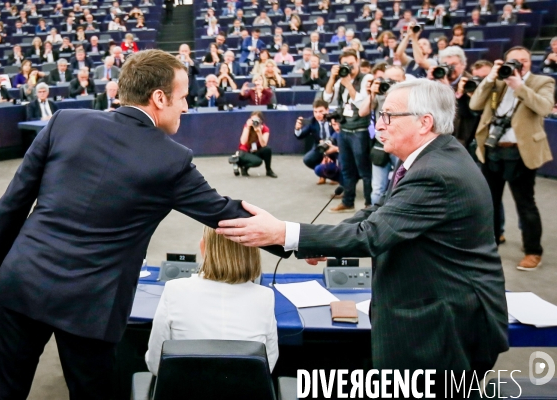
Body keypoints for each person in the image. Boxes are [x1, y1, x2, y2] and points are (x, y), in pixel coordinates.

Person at [0, 49, 288, 399]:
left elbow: (14, 201)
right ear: (159, 98)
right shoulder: (173, 160)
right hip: (91, 305)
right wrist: (295, 241)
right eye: (183, 98)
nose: (185, 107)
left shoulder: (65, 121)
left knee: (4, 389)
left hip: (24, 280)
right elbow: (227, 215)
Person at [216, 80, 510, 394]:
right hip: (434, 309)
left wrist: (283, 233)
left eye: (389, 117)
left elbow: (372, 234)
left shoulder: (435, 171)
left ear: (425, 122)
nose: (379, 126)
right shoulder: (431, 158)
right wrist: (319, 243)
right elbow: (378, 211)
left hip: (443, 325)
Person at [145, 226, 278, 374]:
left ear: (203, 247)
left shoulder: (174, 290)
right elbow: (268, 365)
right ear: (253, 251)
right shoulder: (265, 296)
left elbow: (156, 364)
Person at [470, 46, 555, 271]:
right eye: (514, 60)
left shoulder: (542, 81)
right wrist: (490, 77)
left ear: (530, 62)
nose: (519, 64)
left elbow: (544, 107)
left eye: (524, 60)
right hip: (492, 150)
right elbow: (474, 104)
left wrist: (519, 86)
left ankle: (533, 251)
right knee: (489, 202)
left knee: (525, 204)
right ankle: (491, 242)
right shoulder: (497, 80)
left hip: (522, 152)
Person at [323, 50, 372, 212]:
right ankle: (348, 202)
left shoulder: (367, 79)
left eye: (352, 63)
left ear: (358, 61)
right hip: (344, 131)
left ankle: (368, 205)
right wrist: (332, 77)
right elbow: (327, 98)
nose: (349, 67)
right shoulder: (341, 80)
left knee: (364, 170)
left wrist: (348, 84)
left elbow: (362, 103)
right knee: (347, 168)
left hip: (360, 130)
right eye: (346, 64)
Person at [357, 65, 406, 205]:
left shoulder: (410, 97)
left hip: (401, 145)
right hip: (381, 144)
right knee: (377, 189)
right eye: (388, 80)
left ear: (404, 81)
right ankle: (374, 220)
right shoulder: (380, 94)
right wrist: (372, 93)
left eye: (395, 81)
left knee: (400, 186)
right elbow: (362, 112)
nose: (391, 84)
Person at [294, 99, 337, 182]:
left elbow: (339, 134)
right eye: (315, 112)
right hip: (320, 147)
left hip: (335, 146)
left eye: (321, 111)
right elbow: (300, 136)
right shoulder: (312, 121)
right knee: (307, 159)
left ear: (327, 110)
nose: (318, 115)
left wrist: (329, 143)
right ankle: (323, 174)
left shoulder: (334, 119)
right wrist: (297, 128)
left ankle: (336, 175)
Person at [231, 112, 277, 178]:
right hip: (244, 152)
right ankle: (242, 165)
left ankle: (268, 170)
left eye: (256, 120)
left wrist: (259, 132)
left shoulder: (265, 129)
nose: (254, 122)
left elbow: (263, 145)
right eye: (252, 120)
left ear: (261, 121)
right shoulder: (247, 127)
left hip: (254, 151)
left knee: (267, 149)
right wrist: (248, 127)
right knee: (258, 161)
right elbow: (243, 142)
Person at [177, 44, 199, 108]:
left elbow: (198, 71)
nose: (184, 53)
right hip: (179, 89)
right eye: (182, 51)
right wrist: (175, 61)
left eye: (186, 51)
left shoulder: (194, 62)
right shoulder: (175, 62)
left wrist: (189, 61)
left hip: (191, 89)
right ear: (179, 52)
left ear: (189, 52)